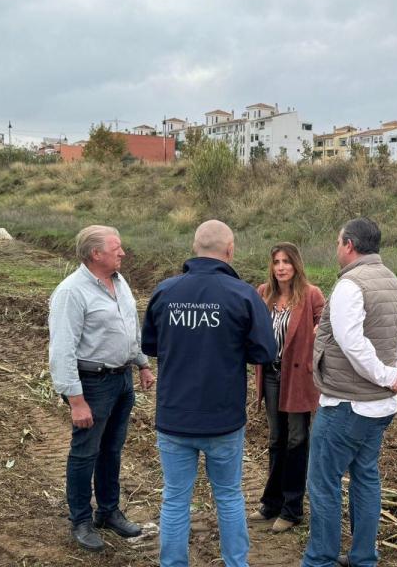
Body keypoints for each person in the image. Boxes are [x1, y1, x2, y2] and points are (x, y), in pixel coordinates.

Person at [142, 220, 276, 567]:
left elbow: (151, 345)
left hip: (174, 416)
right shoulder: (243, 294)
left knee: (174, 499)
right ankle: (236, 563)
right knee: (229, 497)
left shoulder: (165, 291)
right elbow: (265, 351)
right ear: (229, 250)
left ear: (194, 246)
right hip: (223, 418)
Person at [302, 218, 397, 567]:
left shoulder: (350, 286)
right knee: (366, 478)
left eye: (339, 242)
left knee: (323, 483)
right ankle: (364, 558)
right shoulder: (394, 283)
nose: (337, 248)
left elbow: (351, 342)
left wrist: (387, 375)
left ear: (350, 245)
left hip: (346, 406)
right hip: (381, 408)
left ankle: (320, 559)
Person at [48, 225, 155, 552]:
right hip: (92, 384)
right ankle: (81, 519)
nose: (123, 253)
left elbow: (129, 327)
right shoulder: (72, 292)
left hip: (121, 381)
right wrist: (76, 400)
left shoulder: (120, 283)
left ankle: (108, 511)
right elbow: (62, 349)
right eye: (116, 248)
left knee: (112, 449)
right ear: (96, 254)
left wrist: (142, 363)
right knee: (85, 452)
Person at [249, 243, 326, 533]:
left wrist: (318, 337)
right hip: (270, 375)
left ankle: (293, 509)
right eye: (276, 262)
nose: (281, 267)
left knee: (297, 439)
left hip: (299, 378)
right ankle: (271, 502)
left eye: (286, 262)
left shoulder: (311, 294)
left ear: (296, 265)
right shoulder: (263, 293)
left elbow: (327, 324)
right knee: (276, 439)